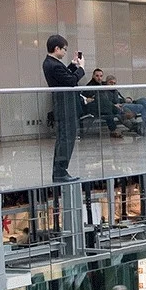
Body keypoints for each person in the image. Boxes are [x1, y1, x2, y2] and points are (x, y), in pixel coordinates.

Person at [43, 34, 87, 183]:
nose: (65, 52)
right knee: (66, 138)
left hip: (64, 104)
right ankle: (60, 171)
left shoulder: (52, 63)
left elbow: (64, 76)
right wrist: (81, 68)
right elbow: (71, 81)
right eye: (64, 49)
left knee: (66, 138)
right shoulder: (53, 64)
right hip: (65, 105)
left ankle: (61, 170)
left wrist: (73, 65)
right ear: (57, 48)